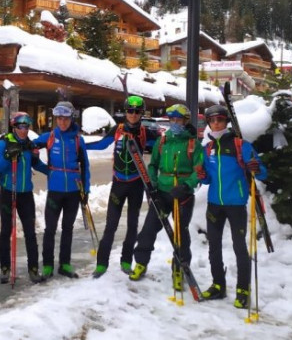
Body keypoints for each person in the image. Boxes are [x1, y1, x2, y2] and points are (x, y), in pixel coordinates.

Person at [129, 103, 203, 292]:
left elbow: (199, 171)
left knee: (180, 233)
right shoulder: (163, 141)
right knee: (148, 230)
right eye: (172, 119)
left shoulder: (193, 143)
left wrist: (187, 185)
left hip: (183, 194)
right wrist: (151, 182)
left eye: (179, 119)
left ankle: (179, 268)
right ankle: (141, 263)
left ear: (185, 121)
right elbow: (153, 165)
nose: (175, 123)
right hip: (161, 192)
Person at [198, 105, 267, 308]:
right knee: (214, 247)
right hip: (214, 204)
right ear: (209, 123)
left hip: (236, 204)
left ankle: (243, 289)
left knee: (239, 247)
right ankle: (218, 285)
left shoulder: (240, 145)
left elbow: (262, 172)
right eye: (212, 120)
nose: (216, 123)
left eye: (220, 119)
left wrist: (255, 168)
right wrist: (202, 175)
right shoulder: (208, 149)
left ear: (226, 122)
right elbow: (209, 179)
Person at [86, 96, 150, 278]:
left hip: (137, 184)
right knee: (111, 225)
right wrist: (79, 144)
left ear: (142, 114)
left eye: (137, 112)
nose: (133, 115)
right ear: (125, 112)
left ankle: (126, 260)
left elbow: (163, 144)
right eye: (130, 111)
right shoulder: (118, 130)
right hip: (119, 184)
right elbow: (101, 144)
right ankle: (101, 264)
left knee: (132, 225)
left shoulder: (145, 132)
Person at [33, 101, 90, 279]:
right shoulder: (49, 137)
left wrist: (86, 190)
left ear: (71, 118)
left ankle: (64, 264)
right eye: (59, 118)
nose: (62, 122)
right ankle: (48, 265)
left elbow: (85, 167)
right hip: (55, 191)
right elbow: (29, 146)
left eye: (65, 119)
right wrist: (45, 169)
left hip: (73, 191)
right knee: (50, 229)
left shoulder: (78, 140)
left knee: (68, 228)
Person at [0, 112, 48, 284]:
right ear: (14, 127)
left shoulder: (29, 145)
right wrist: (9, 157)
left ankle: (33, 269)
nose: (24, 130)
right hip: (8, 192)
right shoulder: (3, 144)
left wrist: (53, 172)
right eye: (20, 127)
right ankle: (5, 268)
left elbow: (36, 164)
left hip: (25, 194)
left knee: (30, 232)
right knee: (6, 230)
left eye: (26, 127)